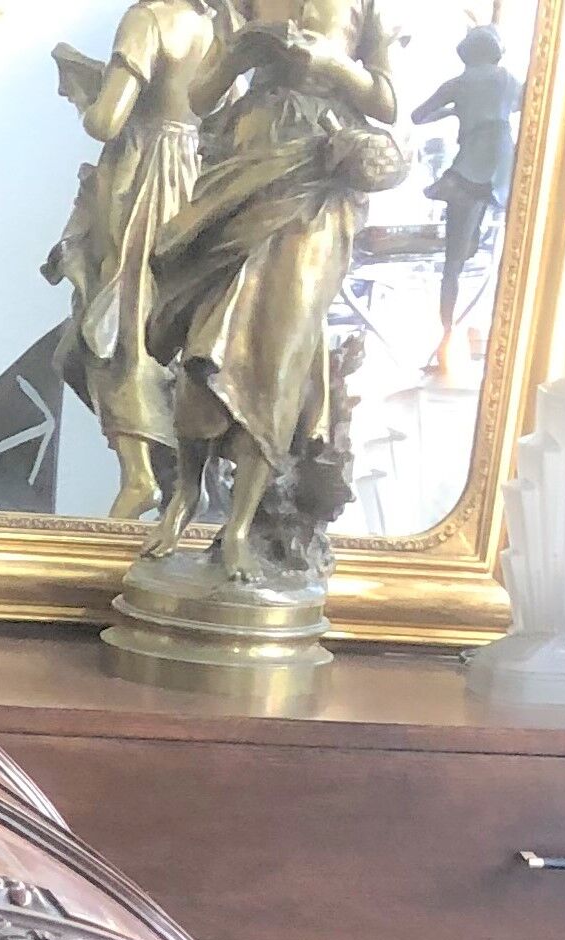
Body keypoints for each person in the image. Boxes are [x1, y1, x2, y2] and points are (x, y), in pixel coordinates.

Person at [143, 0, 408, 587]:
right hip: (246, 163)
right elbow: (201, 95)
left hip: (320, 173)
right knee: (205, 339)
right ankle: (184, 497)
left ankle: (237, 526)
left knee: (281, 349)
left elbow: (387, 101)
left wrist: (331, 64)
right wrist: (238, 55)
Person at [47, 5, 225, 523]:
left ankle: (138, 477)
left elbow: (106, 121)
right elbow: (220, 110)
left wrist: (90, 89)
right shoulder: (214, 26)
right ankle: (177, 477)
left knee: (118, 325)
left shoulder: (147, 19)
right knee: (159, 325)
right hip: (191, 180)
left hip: (140, 178)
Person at [410, 24, 520, 377]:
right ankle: (475, 336)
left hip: (470, 167)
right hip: (505, 165)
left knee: (453, 263)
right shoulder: (506, 80)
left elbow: (418, 115)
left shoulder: (458, 83)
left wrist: (455, 110)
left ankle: (446, 335)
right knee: (502, 253)